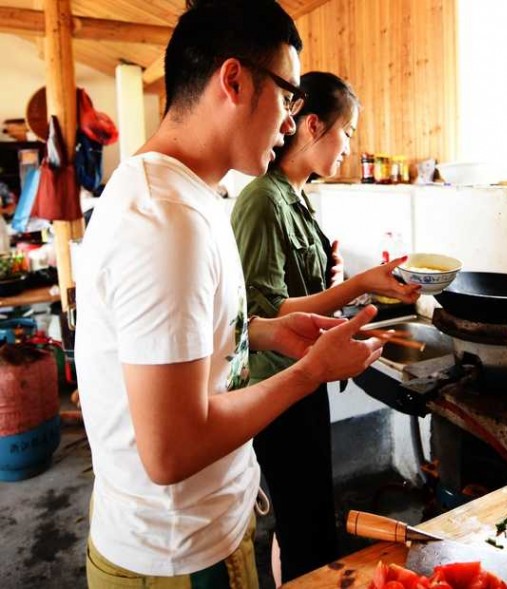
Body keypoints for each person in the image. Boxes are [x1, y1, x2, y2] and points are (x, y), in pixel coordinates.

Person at [73, 2, 385, 587]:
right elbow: (172, 449)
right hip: (176, 557)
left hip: (196, 533)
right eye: (288, 95)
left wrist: (264, 331)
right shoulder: (165, 220)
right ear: (234, 80)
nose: (292, 123)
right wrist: (308, 372)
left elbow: (179, 340)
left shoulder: (193, 194)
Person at [230, 71, 421, 582]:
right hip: (276, 387)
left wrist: (334, 276)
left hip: (303, 379)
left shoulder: (298, 196)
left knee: (305, 517)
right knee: (304, 526)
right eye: (349, 132)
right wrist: (356, 283)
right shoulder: (262, 201)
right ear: (312, 125)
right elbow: (261, 315)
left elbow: (296, 291)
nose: (349, 147)